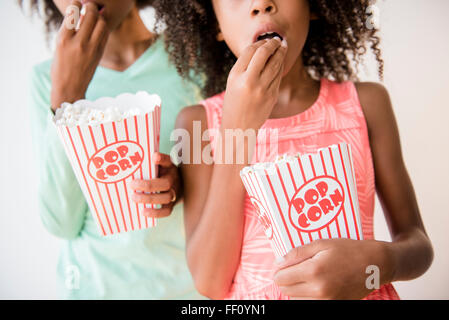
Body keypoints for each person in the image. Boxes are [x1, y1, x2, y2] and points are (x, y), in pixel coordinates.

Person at [152, 0, 434, 299]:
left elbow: (419, 247)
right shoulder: (197, 124)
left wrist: (376, 265)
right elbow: (210, 283)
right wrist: (239, 128)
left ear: (313, 5)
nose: (261, 4)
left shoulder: (367, 103)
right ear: (215, 24)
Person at [23, 0, 204, 299]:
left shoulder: (195, 63)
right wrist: (67, 97)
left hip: (187, 291)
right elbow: (61, 222)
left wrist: (183, 184)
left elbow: (226, 181)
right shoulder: (46, 81)